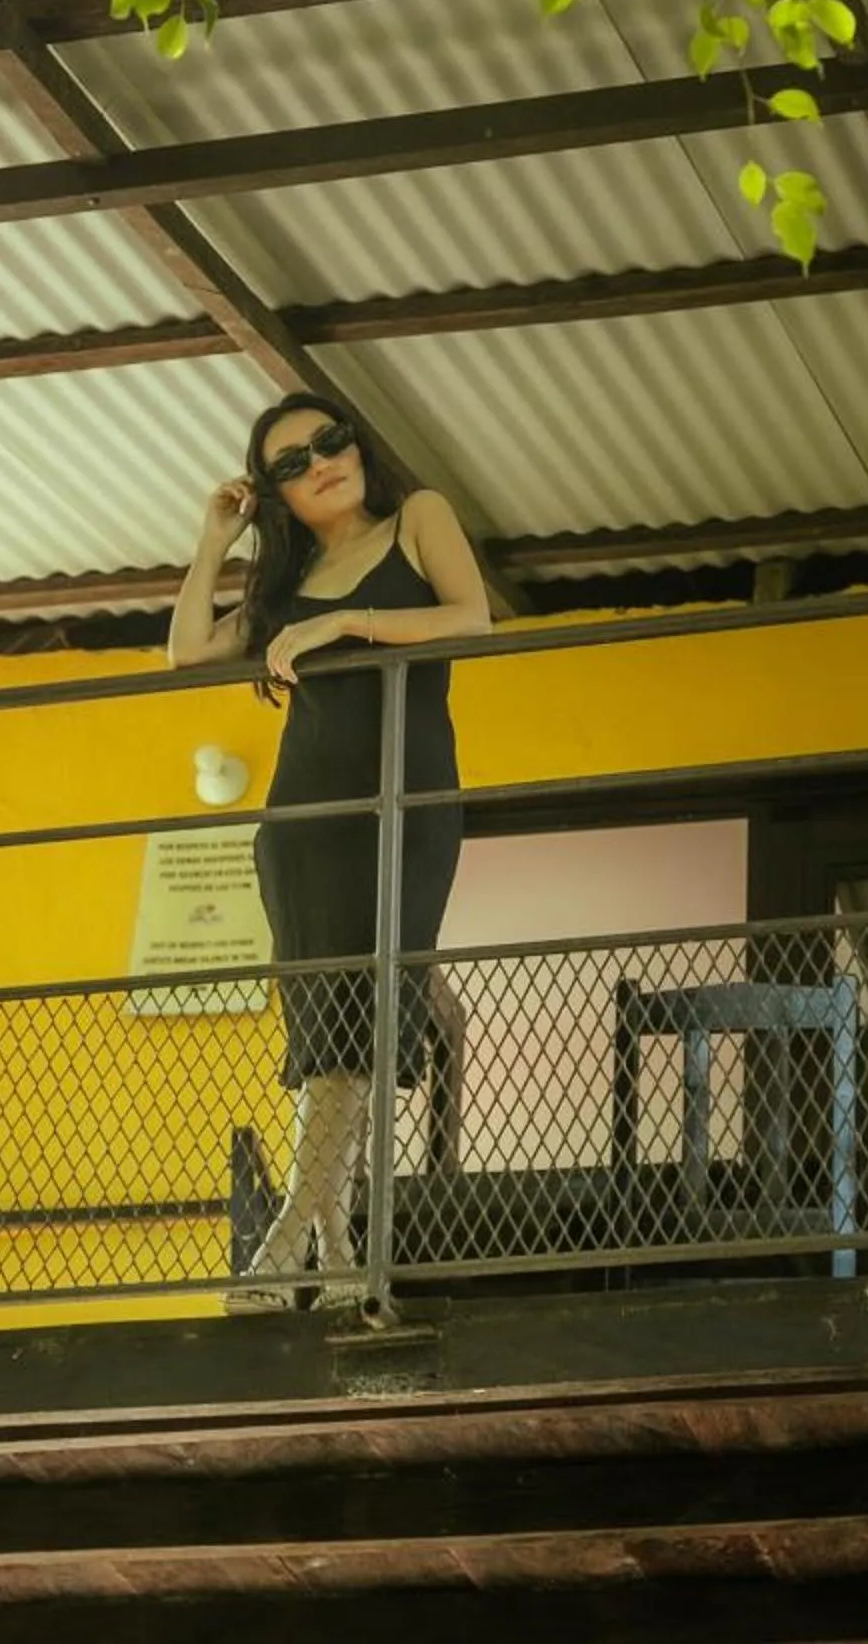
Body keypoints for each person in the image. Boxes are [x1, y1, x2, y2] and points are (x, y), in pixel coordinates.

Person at [167, 394, 490, 1311]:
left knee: (368, 1024)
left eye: (330, 441)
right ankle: (341, 1258)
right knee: (326, 1045)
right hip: (306, 823)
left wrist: (343, 625)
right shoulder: (285, 585)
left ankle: (282, 1253)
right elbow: (185, 650)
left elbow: (472, 619)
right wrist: (213, 540)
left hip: (404, 807)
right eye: (291, 463)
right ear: (274, 493)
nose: (320, 462)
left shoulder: (417, 518)